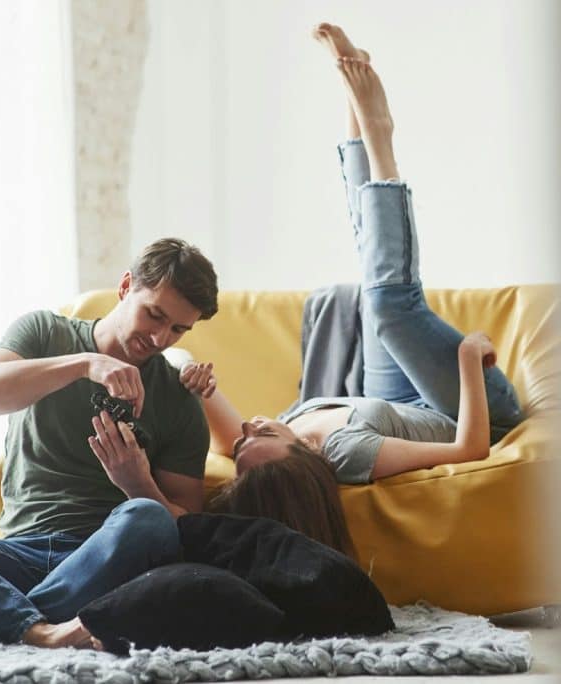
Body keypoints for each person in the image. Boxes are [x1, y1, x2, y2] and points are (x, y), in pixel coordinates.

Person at [178, 24, 523, 547]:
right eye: (263, 433)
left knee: (371, 280)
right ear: (303, 455)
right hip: (466, 410)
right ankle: (378, 135)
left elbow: (185, 372)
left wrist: (189, 380)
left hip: (401, 402)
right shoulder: (344, 453)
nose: (250, 426)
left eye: (245, 437)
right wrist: (470, 357)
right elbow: (468, 449)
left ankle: (354, 115)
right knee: (389, 308)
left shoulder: (257, 449)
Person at [0, 238, 218, 648]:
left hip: (101, 561)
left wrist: (137, 484)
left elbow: (184, 528)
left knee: (147, 518)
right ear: (125, 287)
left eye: (177, 329)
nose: (159, 338)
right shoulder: (46, 334)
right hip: (12, 557)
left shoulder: (177, 398)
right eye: (153, 314)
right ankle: (33, 625)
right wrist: (84, 364)